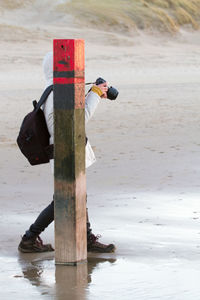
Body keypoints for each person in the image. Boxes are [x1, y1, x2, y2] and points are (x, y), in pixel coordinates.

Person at [18, 52, 116, 253]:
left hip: (65, 152)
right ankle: (29, 238)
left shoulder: (54, 90)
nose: (75, 70)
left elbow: (72, 117)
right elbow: (75, 123)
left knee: (77, 195)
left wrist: (91, 93)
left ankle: (86, 238)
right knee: (64, 199)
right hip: (65, 153)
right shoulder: (56, 93)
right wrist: (95, 94)